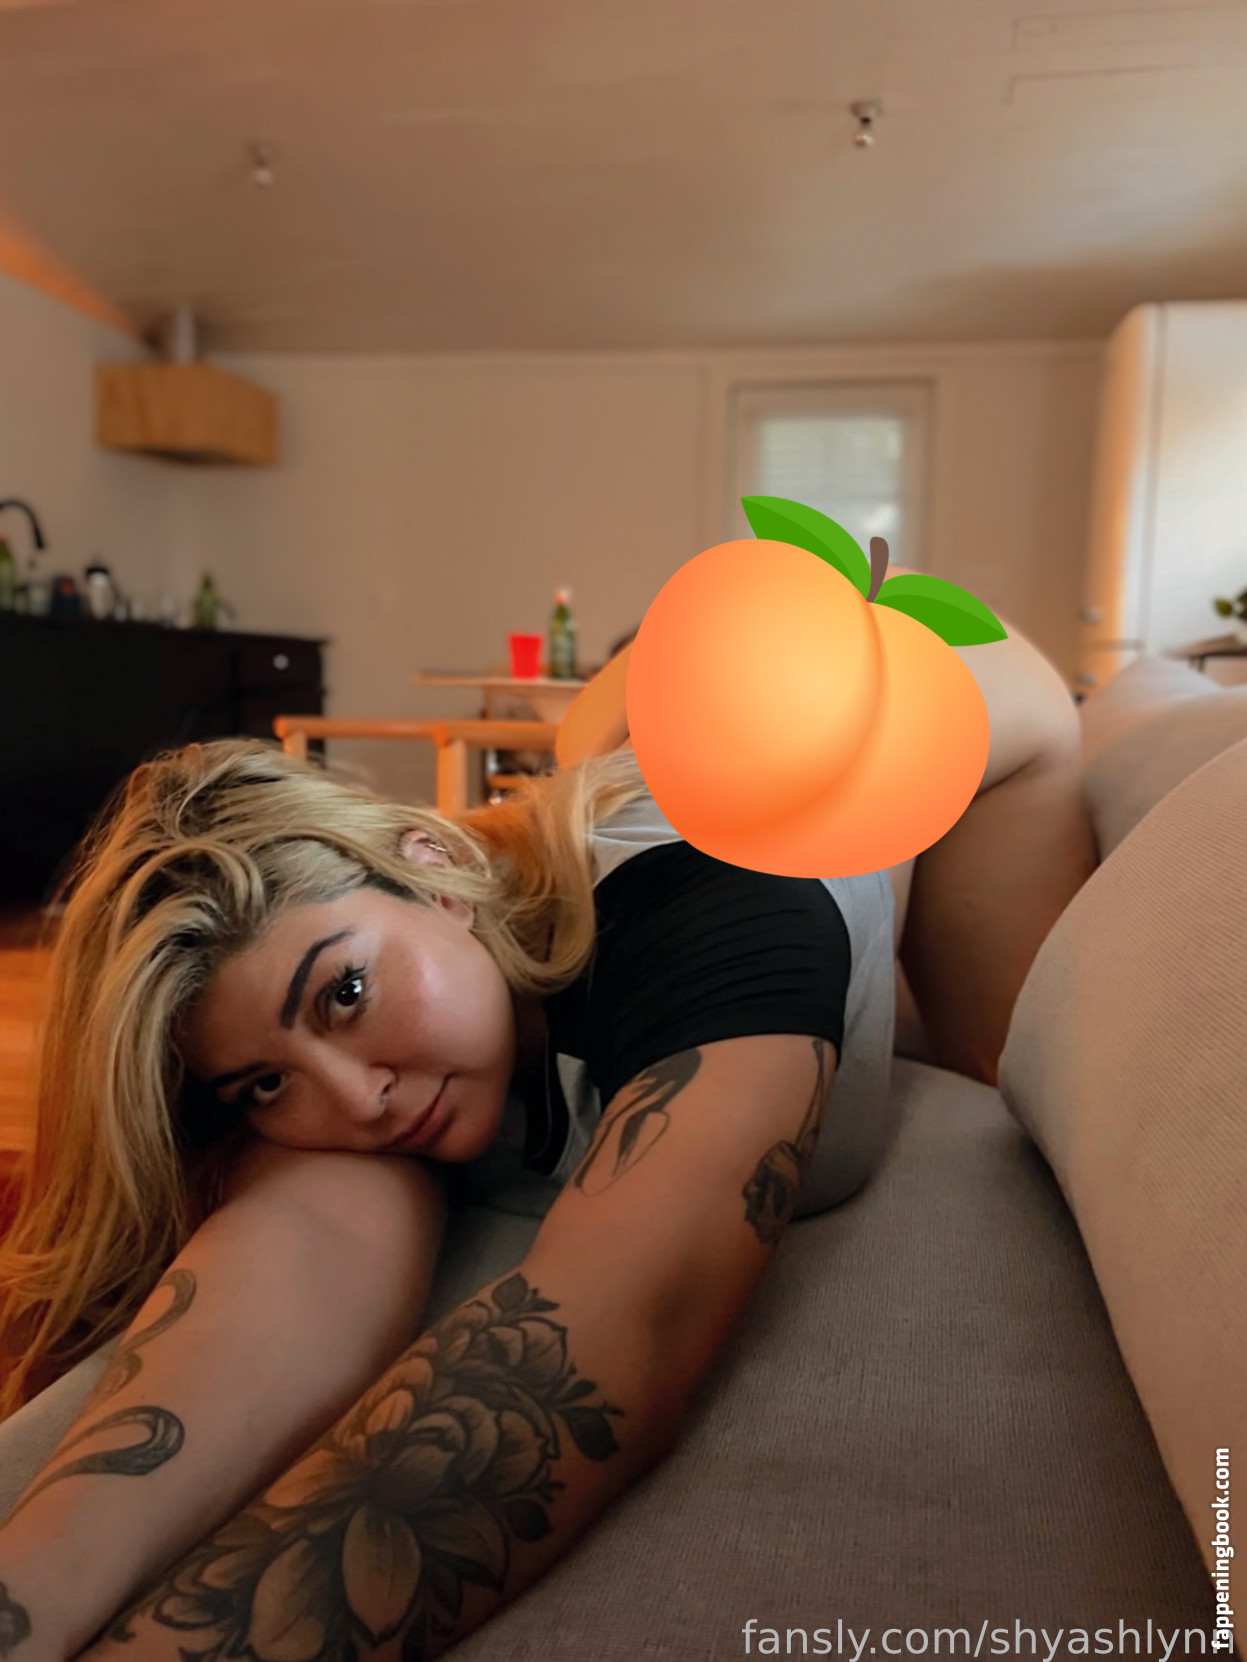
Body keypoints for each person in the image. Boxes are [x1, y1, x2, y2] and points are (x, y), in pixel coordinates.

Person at [0, 603, 1096, 1660]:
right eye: (264, 1084)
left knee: (1014, 1069)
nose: (356, 1100)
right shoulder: (381, 1013)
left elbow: (614, 1339)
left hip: (949, 692)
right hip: (658, 716)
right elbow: (304, 1246)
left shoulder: (710, 904)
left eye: (344, 995)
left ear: (432, 875)